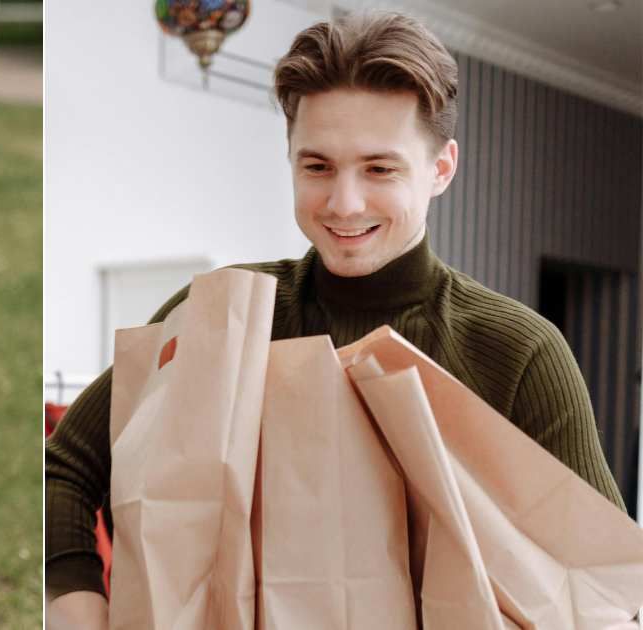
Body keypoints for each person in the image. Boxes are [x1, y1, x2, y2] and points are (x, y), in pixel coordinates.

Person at [45, 11, 625, 627]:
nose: (344, 204)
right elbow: (65, 468)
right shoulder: (222, 319)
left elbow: (598, 584)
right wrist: (80, 603)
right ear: (290, 158)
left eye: (380, 169)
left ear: (442, 169)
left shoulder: (517, 352)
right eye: (317, 167)